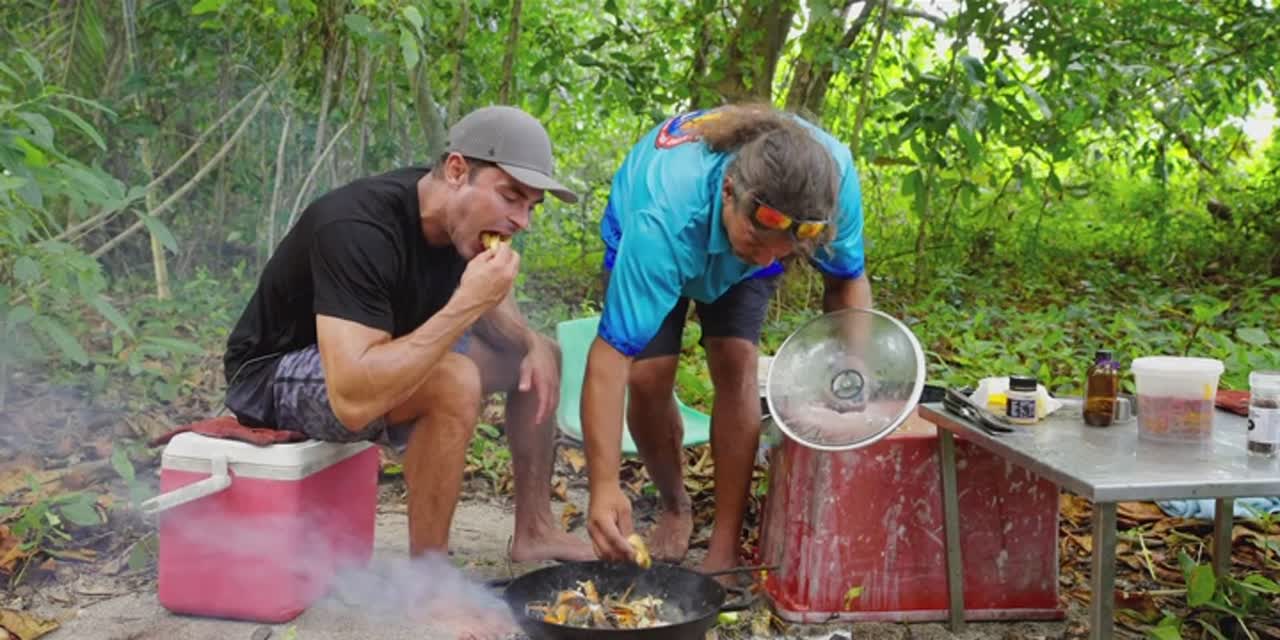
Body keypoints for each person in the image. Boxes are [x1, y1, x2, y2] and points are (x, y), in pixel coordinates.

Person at [222, 105, 595, 563]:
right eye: (510, 197)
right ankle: (429, 579)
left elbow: (495, 302)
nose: (522, 221)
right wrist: (465, 304)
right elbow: (353, 399)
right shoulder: (357, 226)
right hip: (274, 377)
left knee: (538, 356)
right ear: (457, 170)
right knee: (453, 380)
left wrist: (530, 343)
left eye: (531, 206)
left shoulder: (464, 223)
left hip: (377, 353)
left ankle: (535, 530)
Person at [581, 104, 874, 577]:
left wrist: (853, 367)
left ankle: (724, 544)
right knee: (649, 377)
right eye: (758, 244)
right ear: (728, 191)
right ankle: (675, 504)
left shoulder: (831, 183)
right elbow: (611, 358)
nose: (767, 260)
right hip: (667, 228)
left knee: (736, 360)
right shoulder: (662, 217)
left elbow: (847, 282)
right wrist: (604, 486)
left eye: (785, 252)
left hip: (752, 225)